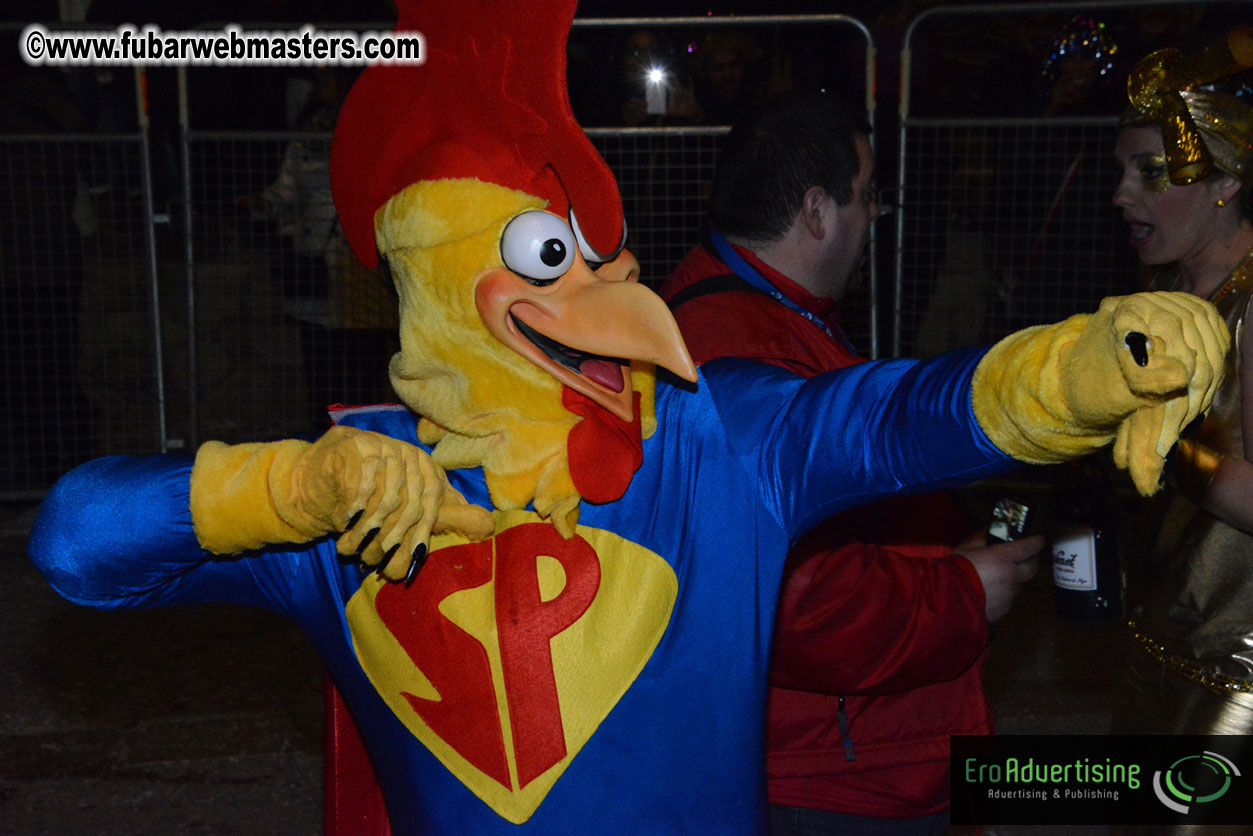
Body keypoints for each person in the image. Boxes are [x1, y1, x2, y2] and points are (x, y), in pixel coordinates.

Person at [26, 3, 1230, 834]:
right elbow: (76, 542)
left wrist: (1082, 368)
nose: (608, 297)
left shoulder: (713, 446)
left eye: (603, 257)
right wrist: (286, 491)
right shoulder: (354, 501)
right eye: (551, 260)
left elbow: (898, 416)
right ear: (438, 284)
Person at [658, 91, 1040, 835]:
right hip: (830, 771)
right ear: (815, 211)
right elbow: (799, 602)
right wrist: (964, 590)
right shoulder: (740, 350)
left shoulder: (765, 315)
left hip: (839, 750)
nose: (871, 219)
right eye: (865, 198)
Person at [1108, 24, 1253, 814]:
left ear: (1224, 180)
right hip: (1156, 641)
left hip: (1239, 670)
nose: (1120, 194)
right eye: (1120, 171)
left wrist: (1166, 454)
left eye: (1149, 171)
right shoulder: (1160, 304)